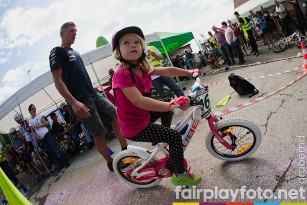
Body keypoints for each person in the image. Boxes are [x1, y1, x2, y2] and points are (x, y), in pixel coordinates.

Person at [111, 26, 202, 186]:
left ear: (142, 47)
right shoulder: (122, 74)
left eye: (137, 42)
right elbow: (138, 100)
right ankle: (180, 176)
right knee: (174, 136)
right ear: (118, 52)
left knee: (165, 99)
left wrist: (189, 72)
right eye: (126, 43)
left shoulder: (142, 68)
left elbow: (167, 70)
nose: (133, 45)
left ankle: (162, 140)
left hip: (143, 115)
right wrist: (171, 105)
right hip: (134, 126)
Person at [49, 22, 128, 171]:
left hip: (93, 93)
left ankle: (125, 151)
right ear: (62, 34)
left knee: (116, 114)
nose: (75, 33)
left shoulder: (76, 52)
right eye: (71, 31)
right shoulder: (57, 51)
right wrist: (73, 102)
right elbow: (57, 81)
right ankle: (111, 163)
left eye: (76, 31)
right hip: (80, 99)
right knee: (98, 133)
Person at [28, 104, 70, 168]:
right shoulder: (30, 121)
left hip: (47, 134)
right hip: (41, 138)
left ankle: (66, 160)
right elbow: (32, 130)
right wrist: (36, 136)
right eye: (33, 108)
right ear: (30, 110)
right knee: (51, 152)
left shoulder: (39, 116)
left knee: (56, 148)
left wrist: (38, 126)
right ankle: (60, 162)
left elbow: (46, 123)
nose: (34, 109)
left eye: (35, 108)